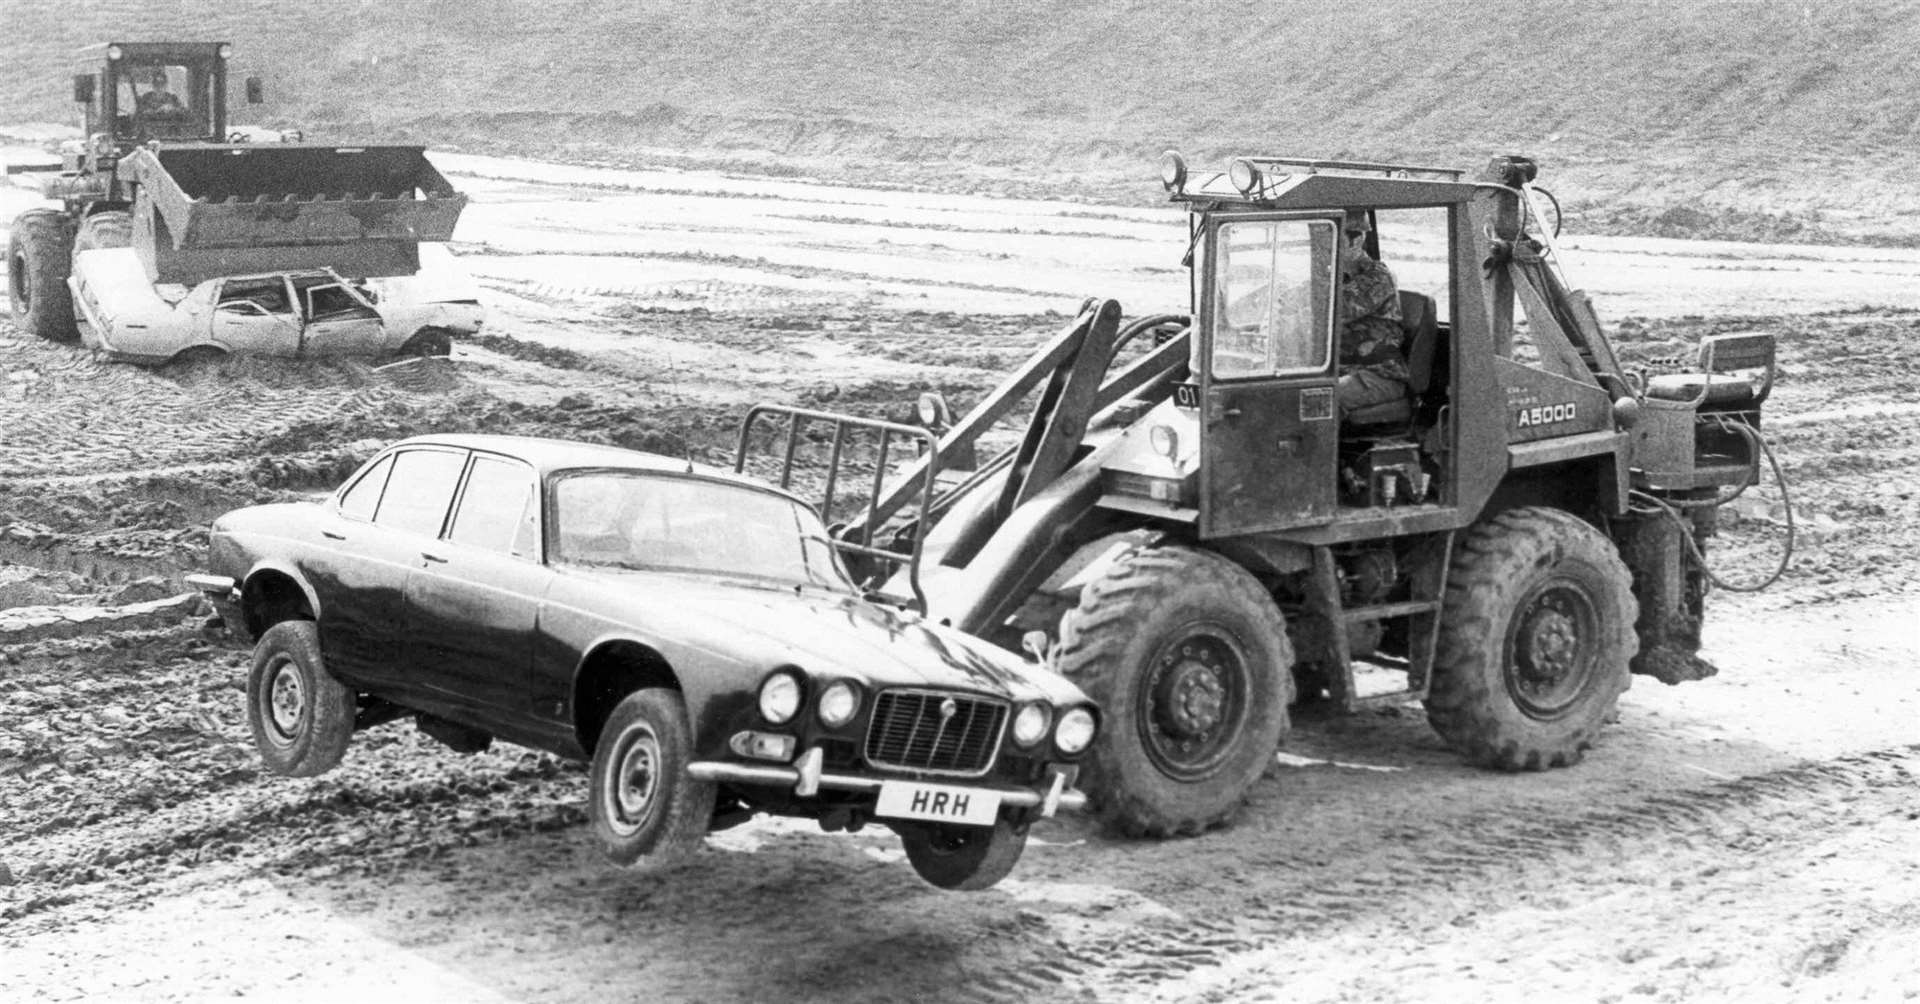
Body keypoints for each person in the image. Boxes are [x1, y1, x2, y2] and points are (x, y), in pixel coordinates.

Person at [1335, 210, 1409, 415]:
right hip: (1341, 370)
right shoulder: (1335, 276)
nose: (1326, 246)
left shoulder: (1378, 277)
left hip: (1378, 374)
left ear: (1356, 240)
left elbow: (1334, 311)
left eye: (1332, 237)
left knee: (1315, 400)